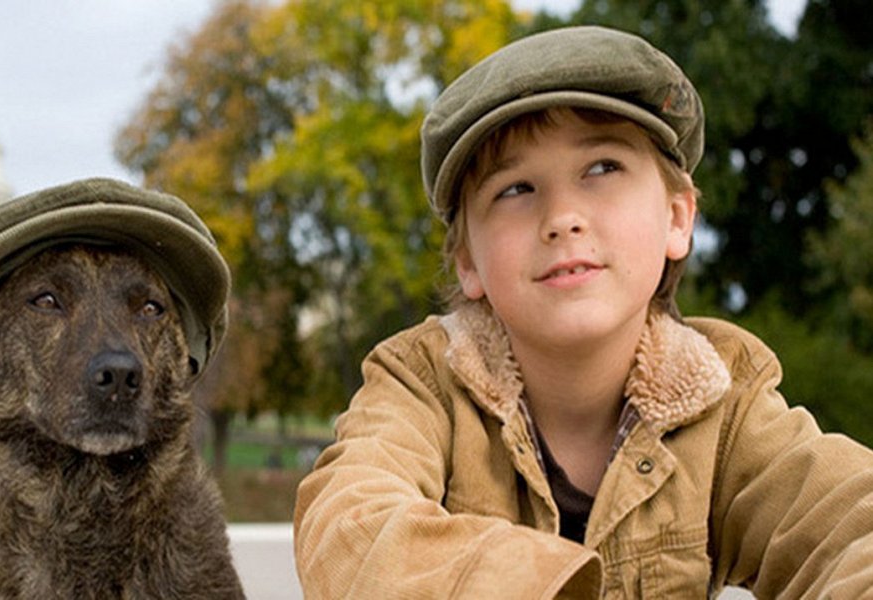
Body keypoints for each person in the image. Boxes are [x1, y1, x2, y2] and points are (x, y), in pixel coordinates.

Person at [293, 25, 873, 598]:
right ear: (468, 261)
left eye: (602, 169)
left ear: (677, 218)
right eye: (515, 189)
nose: (562, 218)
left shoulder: (724, 402)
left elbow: (848, 524)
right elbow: (350, 526)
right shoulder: (421, 385)